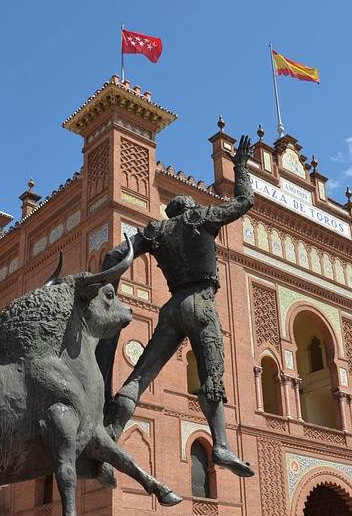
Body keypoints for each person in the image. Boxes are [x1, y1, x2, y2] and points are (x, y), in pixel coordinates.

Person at [102, 134, 255, 478]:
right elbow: (244, 201)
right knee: (212, 377)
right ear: (188, 207)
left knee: (139, 377)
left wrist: (107, 291)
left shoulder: (156, 231)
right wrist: (240, 164)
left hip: (171, 308)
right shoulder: (200, 218)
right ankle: (222, 445)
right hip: (201, 304)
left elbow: (115, 255)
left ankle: (110, 433)